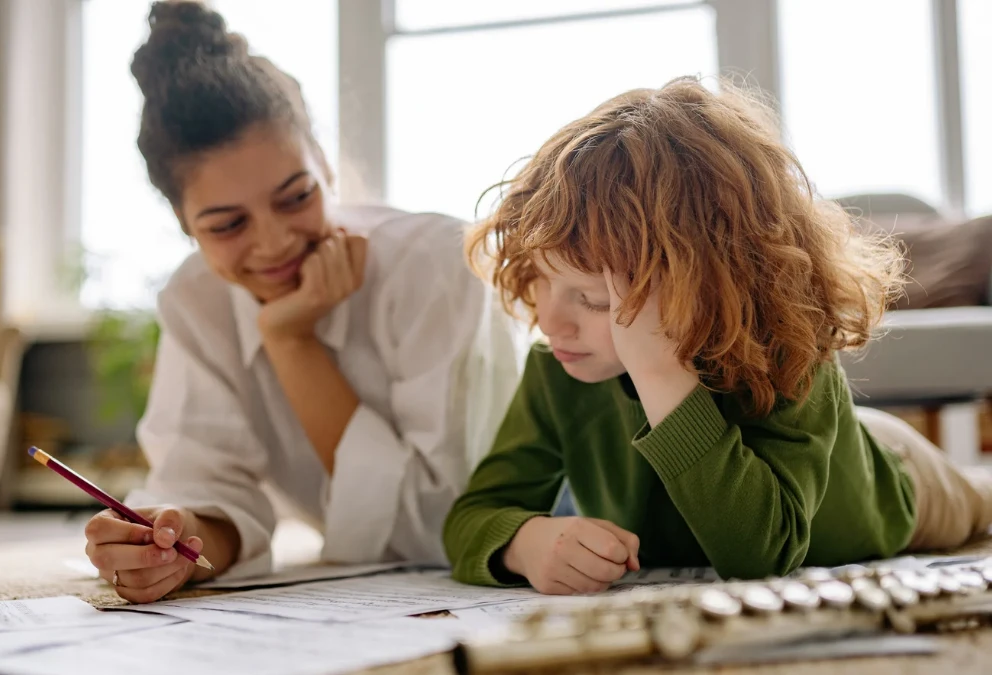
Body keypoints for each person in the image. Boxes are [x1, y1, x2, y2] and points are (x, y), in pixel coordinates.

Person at [444, 76, 992, 595]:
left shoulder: (794, 356)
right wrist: (522, 543)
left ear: (703, 286)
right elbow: (473, 517)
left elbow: (761, 555)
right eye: (541, 280)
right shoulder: (556, 368)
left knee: (981, 503)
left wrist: (659, 372)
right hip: (829, 444)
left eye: (594, 300)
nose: (549, 322)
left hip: (897, 481)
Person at [81, 1, 521, 604]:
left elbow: (443, 527)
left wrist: (291, 342)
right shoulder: (195, 297)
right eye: (227, 224)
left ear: (326, 166)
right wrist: (175, 546)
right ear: (185, 225)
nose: (275, 242)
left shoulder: (436, 266)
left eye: (295, 197)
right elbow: (208, 485)